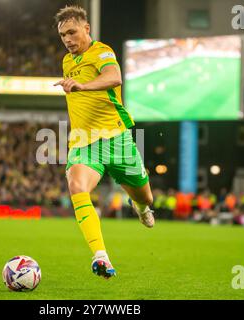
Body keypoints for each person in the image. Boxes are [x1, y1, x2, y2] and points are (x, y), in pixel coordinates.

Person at [53, 5, 154, 279]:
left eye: (72, 32)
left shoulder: (101, 51)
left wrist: (83, 86)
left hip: (117, 139)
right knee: (76, 185)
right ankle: (101, 256)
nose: (68, 39)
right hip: (84, 143)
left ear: (86, 28)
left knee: (146, 196)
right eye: (63, 35)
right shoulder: (67, 61)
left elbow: (114, 77)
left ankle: (141, 207)